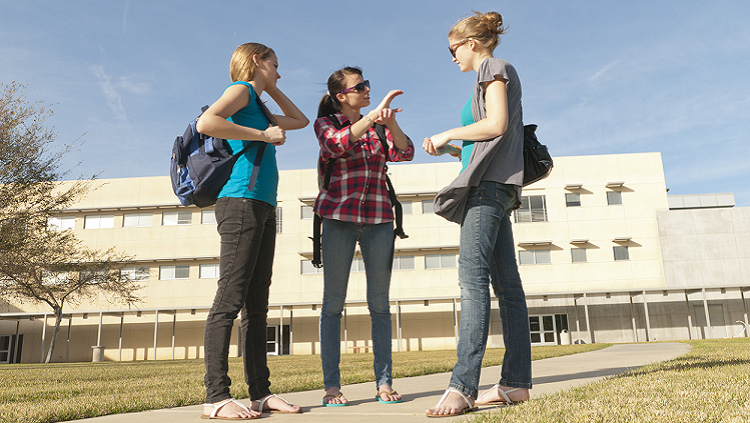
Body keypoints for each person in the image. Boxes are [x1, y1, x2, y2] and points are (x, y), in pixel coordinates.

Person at [422, 12, 532, 417]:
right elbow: (487, 139)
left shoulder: (492, 67)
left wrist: (449, 132)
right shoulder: (486, 74)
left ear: (471, 43)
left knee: (472, 283)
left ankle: (462, 386)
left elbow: (497, 124)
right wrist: (454, 149)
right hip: (496, 184)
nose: (452, 58)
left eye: (453, 49)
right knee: (508, 287)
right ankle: (515, 384)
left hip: (488, 190)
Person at [196, 42, 309, 420]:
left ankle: (260, 393)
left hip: (262, 205)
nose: (280, 71)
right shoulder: (240, 91)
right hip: (240, 202)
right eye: (275, 65)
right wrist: (263, 135)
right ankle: (216, 397)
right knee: (229, 299)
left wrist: (272, 88)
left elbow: (300, 120)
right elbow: (207, 122)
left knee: (257, 305)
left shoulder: (258, 104)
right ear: (257, 61)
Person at [314, 67, 415, 407]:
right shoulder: (327, 124)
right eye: (361, 86)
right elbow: (338, 145)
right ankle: (332, 387)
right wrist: (373, 117)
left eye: (368, 84)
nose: (368, 89)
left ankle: (384, 383)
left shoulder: (376, 129)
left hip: (378, 219)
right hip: (338, 219)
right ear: (342, 96)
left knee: (380, 305)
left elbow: (404, 152)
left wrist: (390, 123)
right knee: (332, 305)